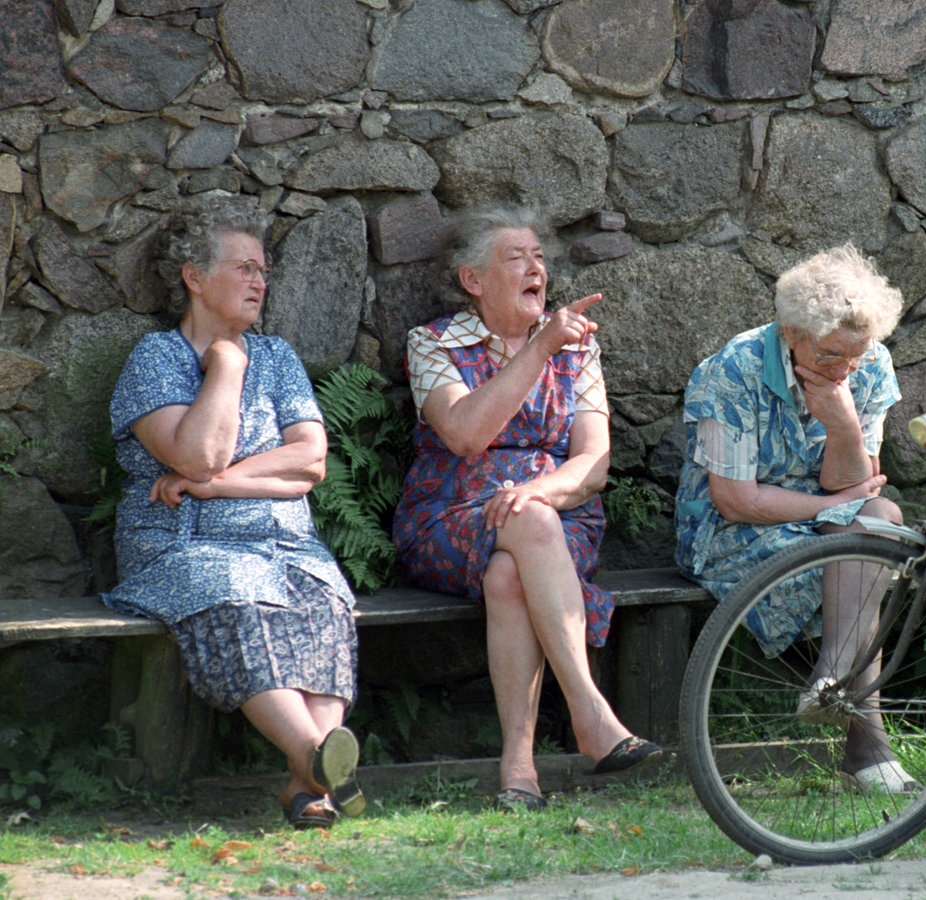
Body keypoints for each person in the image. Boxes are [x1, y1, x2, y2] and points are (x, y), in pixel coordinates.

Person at [103, 195, 364, 830]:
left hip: (286, 544)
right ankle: (315, 764)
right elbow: (196, 456)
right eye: (244, 267)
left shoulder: (280, 358)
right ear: (194, 277)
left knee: (324, 598)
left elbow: (309, 462)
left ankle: (311, 782)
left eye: (263, 271)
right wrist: (225, 363)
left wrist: (218, 487)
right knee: (236, 590)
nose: (259, 281)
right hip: (182, 547)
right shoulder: (158, 360)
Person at [392, 205, 660, 812]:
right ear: (473, 280)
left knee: (513, 568)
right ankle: (590, 714)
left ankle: (518, 770)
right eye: (516, 257)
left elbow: (593, 464)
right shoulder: (434, 343)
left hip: (559, 514)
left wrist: (541, 491)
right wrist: (537, 350)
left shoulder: (578, 349)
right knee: (526, 526)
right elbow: (464, 434)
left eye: (539, 256)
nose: (535, 266)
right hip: (450, 513)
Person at [674, 245, 912, 793]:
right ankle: (867, 746)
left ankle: (830, 678)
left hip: (819, 514)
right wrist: (832, 508)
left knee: (880, 521)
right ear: (790, 334)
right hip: (730, 532)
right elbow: (736, 500)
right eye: (831, 355)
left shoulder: (868, 364)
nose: (846, 368)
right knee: (859, 568)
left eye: (857, 354)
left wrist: (844, 424)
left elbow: (853, 482)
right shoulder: (732, 372)